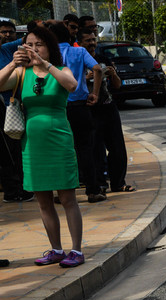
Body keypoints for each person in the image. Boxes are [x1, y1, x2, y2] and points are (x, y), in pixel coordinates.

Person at [0, 26, 85, 267]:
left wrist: (46, 65)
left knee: (68, 198)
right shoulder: (21, 74)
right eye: (29, 44)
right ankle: (56, 249)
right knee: (43, 200)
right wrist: (11, 65)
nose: (33, 49)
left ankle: (76, 250)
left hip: (59, 142)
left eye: (39, 44)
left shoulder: (60, 70)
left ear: (50, 47)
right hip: (32, 145)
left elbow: (72, 85)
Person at [50, 23, 104, 203]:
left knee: (62, 150)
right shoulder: (79, 52)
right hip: (80, 106)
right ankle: (93, 190)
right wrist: (94, 93)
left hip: (58, 108)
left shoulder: (49, 55)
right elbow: (97, 68)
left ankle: (65, 191)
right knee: (85, 149)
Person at [77, 28, 134, 195]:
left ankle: (118, 183)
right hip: (89, 110)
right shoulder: (77, 61)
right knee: (95, 149)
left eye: (94, 40)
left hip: (108, 108)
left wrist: (113, 73)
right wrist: (87, 77)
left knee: (117, 148)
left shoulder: (103, 59)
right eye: (88, 40)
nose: (92, 43)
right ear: (79, 44)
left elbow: (117, 85)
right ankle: (99, 184)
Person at [0, 20, 34, 203]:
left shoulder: (8, 49)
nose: (6, 35)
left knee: (20, 149)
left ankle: (25, 188)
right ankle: (12, 190)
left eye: (9, 32)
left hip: (15, 107)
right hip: (4, 109)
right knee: (7, 152)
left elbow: (28, 38)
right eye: (3, 32)